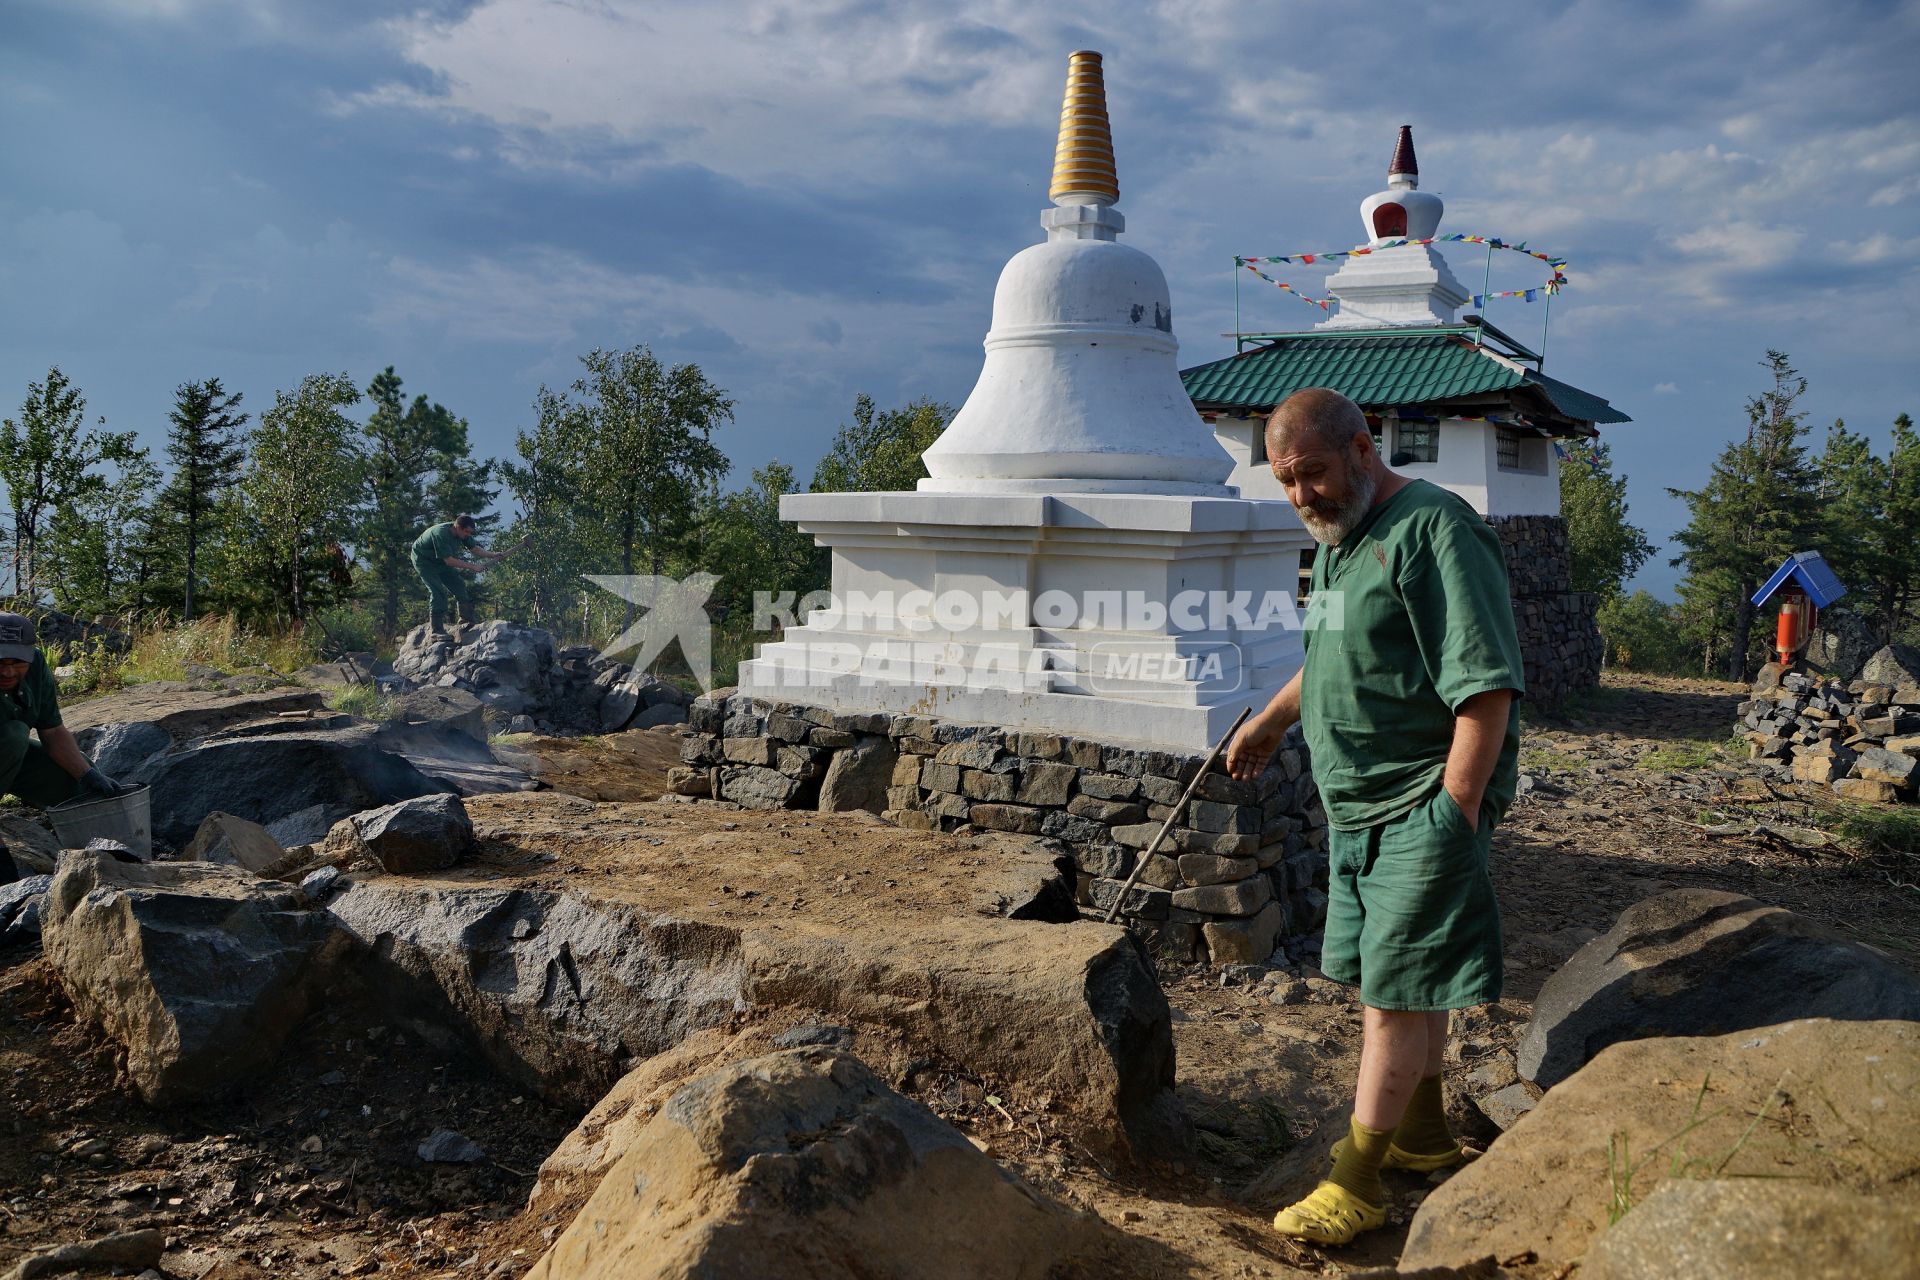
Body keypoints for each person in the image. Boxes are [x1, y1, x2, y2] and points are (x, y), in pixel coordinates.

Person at [1228, 388, 1524, 1246]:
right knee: (1397, 980)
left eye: (1312, 474)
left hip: (1419, 801)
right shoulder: (1336, 548)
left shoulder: (1437, 531)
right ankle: (1423, 1141)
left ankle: (1356, 1185)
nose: (1302, 497)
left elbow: (1486, 682)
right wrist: (1271, 720)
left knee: (1390, 999)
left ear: (1364, 448)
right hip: (1355, 805)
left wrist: (1455, 808)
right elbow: (1324, 655)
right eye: (1287, 482)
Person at [0, 612, 136, 882]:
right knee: (14, 735)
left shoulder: (36, 666)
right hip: (6, 747)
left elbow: (52, 730)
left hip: (7, 753)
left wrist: (87, 775)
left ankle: (110, 859)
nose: (7, 672)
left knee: (75, 775)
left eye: (17, 662)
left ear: (30, 654)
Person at [410, 515, 508, 636]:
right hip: (424, 561)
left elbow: (475, 549)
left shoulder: (463, 533)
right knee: (437, 592)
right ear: (457, 527)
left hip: (440, 561)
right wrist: (473, 566)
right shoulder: (440, 534)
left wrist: (493, 555)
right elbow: (449, 561)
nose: (468, 535)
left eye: (470, 533)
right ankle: (436, 630)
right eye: (467, 532)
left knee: (459, 584)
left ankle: (466, 621)